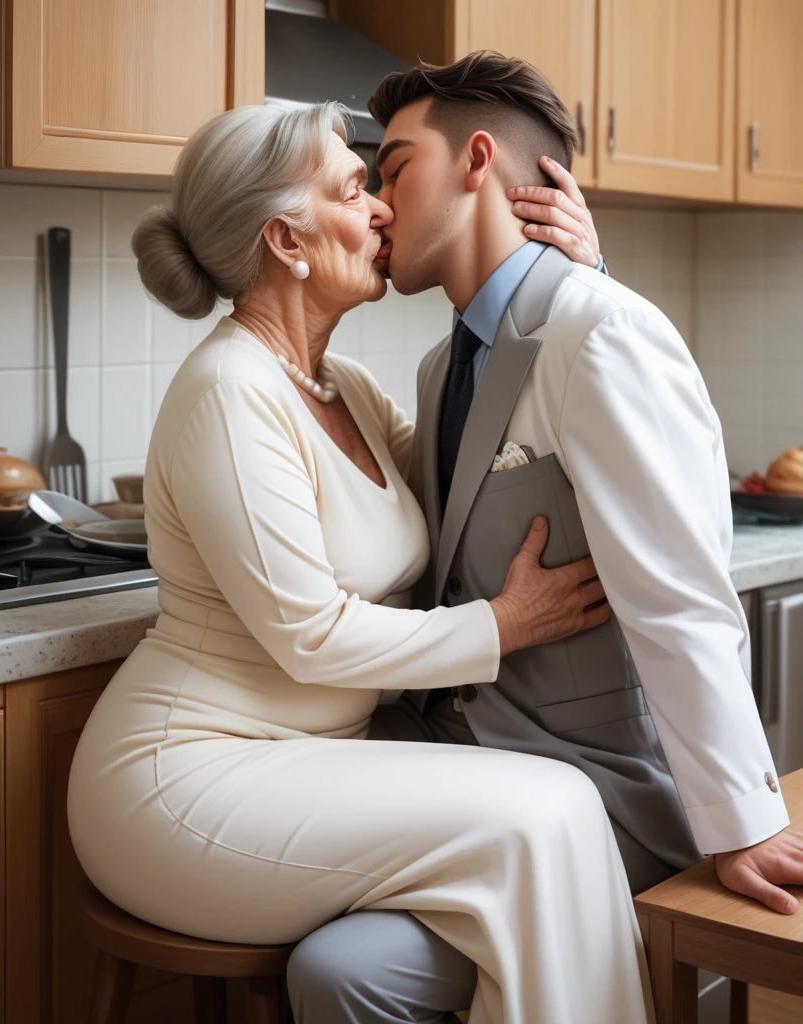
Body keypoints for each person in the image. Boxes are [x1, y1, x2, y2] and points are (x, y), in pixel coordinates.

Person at [66, 99, 654, 1024]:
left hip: (304, 759)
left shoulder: (350, 389)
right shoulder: (229, 391)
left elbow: (491, 457)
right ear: (286, 241)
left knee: (560, 809)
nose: (383, 206)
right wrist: (502, 626)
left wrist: (579, 282)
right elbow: (311, 637)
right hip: (187, 785)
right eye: (355, 188)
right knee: (548, 813)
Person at [287, 50, 803, 1024]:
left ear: (477, 159)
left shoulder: (598, 332)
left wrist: (737, 828)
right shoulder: (444, 367)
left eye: (392, 168)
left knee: (339, 970)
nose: (380, 203)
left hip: (595, 793)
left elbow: (678, 599)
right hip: (465, 768)